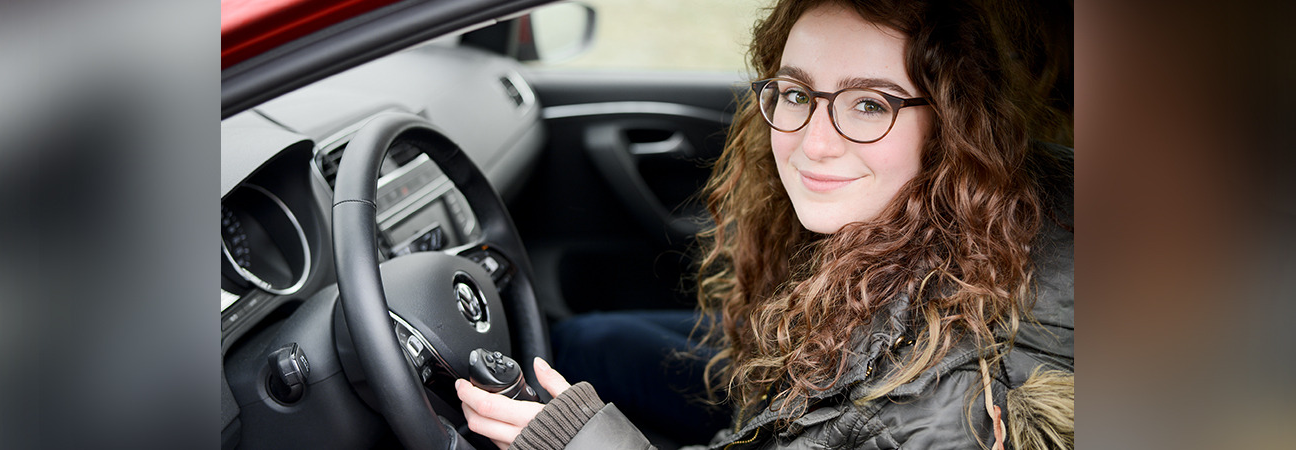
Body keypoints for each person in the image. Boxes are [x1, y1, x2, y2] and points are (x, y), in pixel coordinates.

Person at [456, 0, 1074, 448]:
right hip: (788, 385)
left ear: (950, 126)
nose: (815, 143)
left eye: (869, 104)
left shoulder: (936, 407)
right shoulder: (951, 224)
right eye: (798, 94)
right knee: (590, 343)